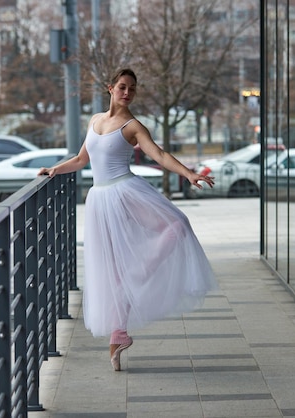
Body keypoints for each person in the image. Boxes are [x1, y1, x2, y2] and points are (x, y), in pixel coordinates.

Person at [38, 68, 217, 371]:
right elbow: (82, 160)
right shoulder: (95, 120)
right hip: (99, 200)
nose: (127, 93)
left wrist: (188, 174)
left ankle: (139, 272)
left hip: (126, 192)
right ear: (110, 88)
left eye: (132, 89)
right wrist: (55, 169)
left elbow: (158, 155)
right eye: (122, 87)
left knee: (177, 224)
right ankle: (118, 335)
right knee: (111, 270)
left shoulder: (133, 126)